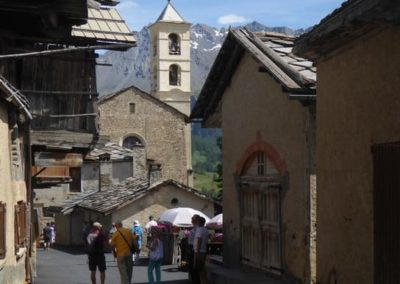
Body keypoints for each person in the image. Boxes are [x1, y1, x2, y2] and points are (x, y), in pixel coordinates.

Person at [192, 217, 209, 284]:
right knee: (202, 270)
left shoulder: (199, 230)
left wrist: (197, 252)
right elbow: (206, 242)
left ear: (199, 222)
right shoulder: (206, 230)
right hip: (203, 250)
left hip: (199, 251)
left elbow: (199, 240)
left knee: (198, 270)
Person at [188, 214, 200, 282]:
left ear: (196, 220)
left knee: (193, 268)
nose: (191, 219)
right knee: (192, 268)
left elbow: (196, 240)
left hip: (193, 249)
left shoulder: (196, 229)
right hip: (193, 248)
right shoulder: (195, 228)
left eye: (192, 218)